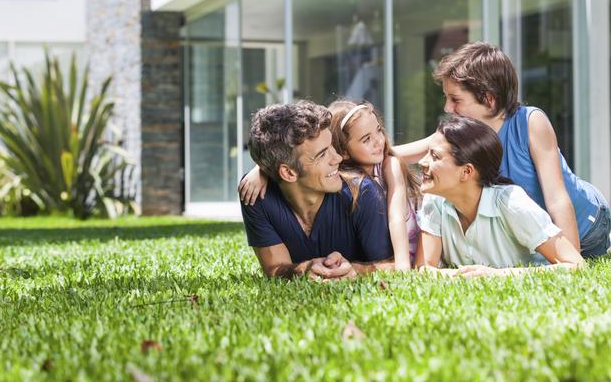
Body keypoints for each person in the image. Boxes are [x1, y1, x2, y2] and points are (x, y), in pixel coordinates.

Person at [398, 42, 610, 258]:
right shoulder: (463, 131)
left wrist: (570, 258)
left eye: (456, 99)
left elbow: (557, 199)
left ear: (489, 100)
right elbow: (415, 149)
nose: (447, 108)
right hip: (538, 232)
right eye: (447, 98)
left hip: (586, 226)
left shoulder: (530, 123)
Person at [240, 99, 421, 271]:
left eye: (332, 147)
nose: (338, 158)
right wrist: (304, 270)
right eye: (322, 154)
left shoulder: (364, 190)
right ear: (287, 173)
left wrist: (355, 271)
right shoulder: (255, 193)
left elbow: (392, 267)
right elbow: (274, 269)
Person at [416, 115, 584, 277]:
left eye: (435, 156)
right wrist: (458, 275)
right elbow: (424, 269)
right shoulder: (435, 199)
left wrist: (497, 275)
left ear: (466, 171)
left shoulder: (512, 203)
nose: (421, 162)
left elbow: (576, 265)